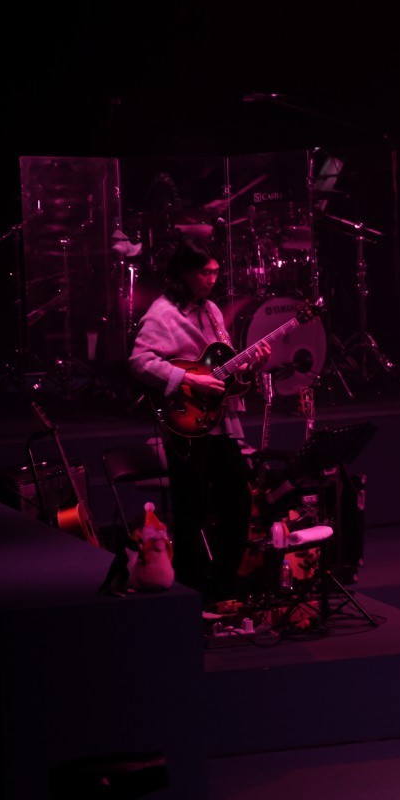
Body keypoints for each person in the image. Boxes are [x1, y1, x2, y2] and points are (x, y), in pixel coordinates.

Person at [128, 238, 269, 603]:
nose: (212, 279)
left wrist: (251, 366)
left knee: (237, 499)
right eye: (205, 272)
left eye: (216, 272)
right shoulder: (162, 314)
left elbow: (226, 369)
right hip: (184, 420)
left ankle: (224, 581)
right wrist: (189, 380)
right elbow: (140, 361)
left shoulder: (211, 311)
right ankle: (193, 587)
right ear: (185, 273)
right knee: (192, 504)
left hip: (219, 420)